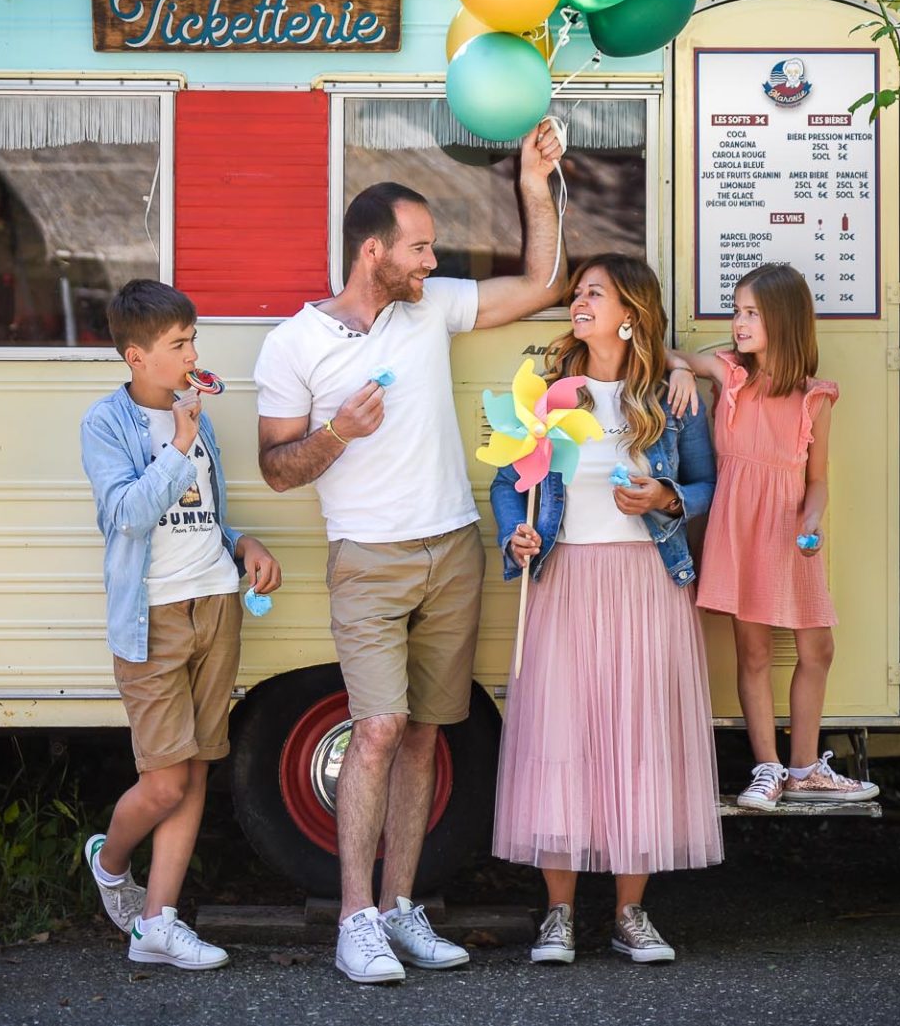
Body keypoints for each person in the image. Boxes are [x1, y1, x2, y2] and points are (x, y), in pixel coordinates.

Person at [252, 119, 567, 984]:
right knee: (379, 727)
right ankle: (354, 918)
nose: (432, 261)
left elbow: (541, 284)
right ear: (373, 252)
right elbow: (275, 468)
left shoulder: (429, 308)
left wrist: (533, 185)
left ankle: (399, 907)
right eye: (419, 247)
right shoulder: (294, 343)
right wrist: (337, 433)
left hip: (453, 546)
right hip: (368, 557)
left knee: (427, 731)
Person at [490, 255, 722, 966]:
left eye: (595, 292)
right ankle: (558, 913)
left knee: (638, 738)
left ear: (630, 313)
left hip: (645, 584)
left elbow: (709, 484)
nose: (579, 301)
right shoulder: (552, 393)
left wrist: (667, 498)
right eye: (578, 291)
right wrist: (516, 533)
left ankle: (629, 913)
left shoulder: (670, 398)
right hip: (564, 578)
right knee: (562, 735)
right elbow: (508, 482)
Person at [78, 280, 283, 969]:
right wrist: (179, 443)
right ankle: (110, 862)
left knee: (195, 771)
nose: (194, 354)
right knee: (163, 782)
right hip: (154, 619)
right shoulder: (107, 424)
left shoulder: (194, 411)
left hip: (215, 604)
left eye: (193, 339)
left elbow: (198, 516)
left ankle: (157, 923)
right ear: (136, 356)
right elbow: (127, 516)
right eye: (179, 343)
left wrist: (242, 544)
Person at [668, 262, 878, 811]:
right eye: (736, 311)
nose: (738, 323)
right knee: (754, 651)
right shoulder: (729, 374)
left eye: (751, 313)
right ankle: (766, 770)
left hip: (790, 532)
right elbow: (662, 356)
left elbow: (818, 480)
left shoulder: (815, 398)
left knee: (818, 647)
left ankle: (805, 768)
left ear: (783, 320)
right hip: (739, 530)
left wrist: (812, 518)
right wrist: (683, 371)